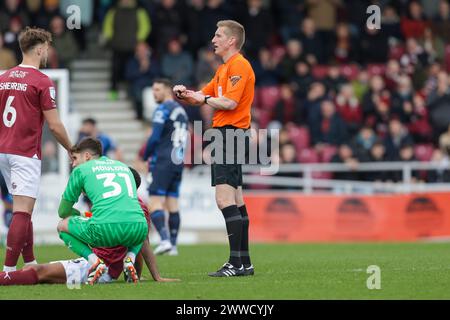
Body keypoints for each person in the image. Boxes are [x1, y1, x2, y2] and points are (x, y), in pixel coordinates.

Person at [0, 167, 180, 286]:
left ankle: (3, 278)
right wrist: (137, 272)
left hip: (98, 268)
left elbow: (143, 241)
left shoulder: (117, 207)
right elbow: (142, 240)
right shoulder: (135, 209)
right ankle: (120, 263)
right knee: (34, 271)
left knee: (38, 271)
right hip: (111, 267)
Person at [173, 20, 255, 277]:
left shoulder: (238, 65)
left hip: (229, 134)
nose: (213, 39)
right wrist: (185, 93)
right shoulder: (224, 69)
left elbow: (228, 103)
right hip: (227, 134)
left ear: (232, 41)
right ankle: (244, 262)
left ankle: (235, 263)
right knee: (237, 200)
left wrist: (204, 98)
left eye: (218, 35)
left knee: (224, 200)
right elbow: (203, 96)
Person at [0, 27, 72, 273]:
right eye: (47, 48)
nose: (47, 53)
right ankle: (8, 271)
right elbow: (55, 125)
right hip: (24, 151)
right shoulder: (41, 80)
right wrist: (72, 149)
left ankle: (29, 262)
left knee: (23, 206)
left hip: (3, 151)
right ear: (40, 48)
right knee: (22, 209)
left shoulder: (4, 77)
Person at [56, 138, 148, 284]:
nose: (73, 164)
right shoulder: (124, 166)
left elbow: (63, 211)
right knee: (137, 221)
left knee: (62, 225)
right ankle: (130, 257)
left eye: (74, 158)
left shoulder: (81, 170)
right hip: (139, 230)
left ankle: (95, 262)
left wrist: (79, 215)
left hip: (104, 230)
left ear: (87, 156)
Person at [143, 78, 188, 256]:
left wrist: (144, 155)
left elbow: (154, 137)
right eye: (153, 90)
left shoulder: (162, 109)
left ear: (168, 91)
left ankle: (164, 240)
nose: (154, 93)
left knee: (155, 201)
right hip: (177, 161)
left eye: (157, 89)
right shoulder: (181, 111)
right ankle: (173, 246)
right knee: (172, 203)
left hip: (162, 160)